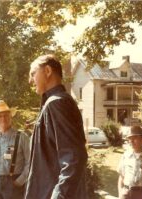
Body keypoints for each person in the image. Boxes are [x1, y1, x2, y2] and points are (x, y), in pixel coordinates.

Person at [25, 54, 88, 199]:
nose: (30, 80)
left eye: (33, 73)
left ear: (47, 71)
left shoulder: (57, 103)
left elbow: (74, 158)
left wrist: (59, 196)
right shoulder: (54, 103)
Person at [0, 100, 30, 199]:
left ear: (11, 117)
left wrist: (19, 181)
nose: (3, 118)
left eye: (6, 115)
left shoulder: (22, 137)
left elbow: (30, 162)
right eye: (0, 116)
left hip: (14, 182)